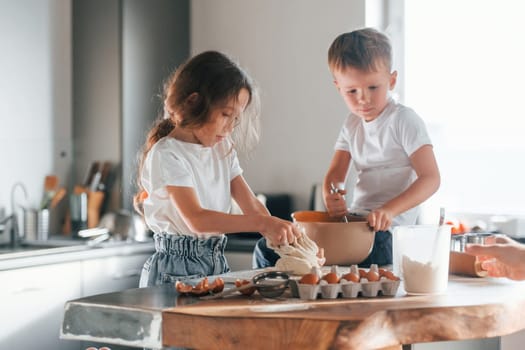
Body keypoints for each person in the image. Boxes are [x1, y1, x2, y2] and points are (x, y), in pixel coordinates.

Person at [134, 50, 302, 288]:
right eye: (226, 115)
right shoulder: (167, 154)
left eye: (236, 119)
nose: (231, 127)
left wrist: (288, 240)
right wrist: (262, 224)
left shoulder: (222, 150)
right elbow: (197, 220)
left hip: (216, 262)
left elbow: (251, 204)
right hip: (175, 270)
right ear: (193, 102)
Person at [322, 27, 441, 267]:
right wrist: (331, 194)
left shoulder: (403, 120)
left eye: (373, 88)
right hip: (358, 223)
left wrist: (389, 211)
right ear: (338, 87)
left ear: (392, 80)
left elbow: (431, 178)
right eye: (352, 91)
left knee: (368, 252)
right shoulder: (352, 123)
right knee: (276, 247)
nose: (363, 99)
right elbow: (335, 175)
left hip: (394, 232)